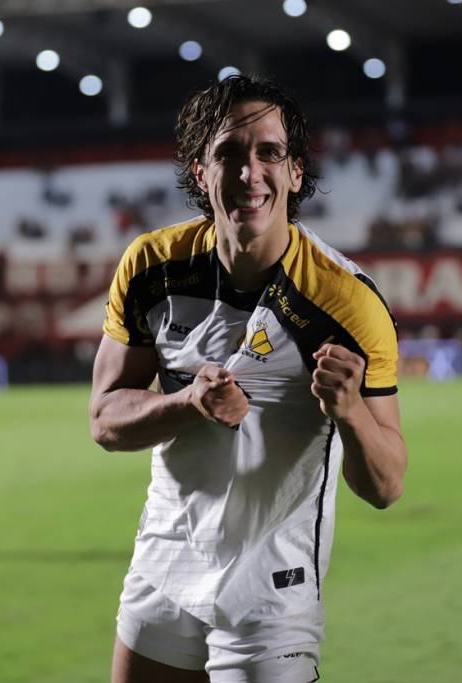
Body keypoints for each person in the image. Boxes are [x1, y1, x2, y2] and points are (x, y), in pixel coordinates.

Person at [89, 75, 408, 683]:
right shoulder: (151, 267)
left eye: (269, 152)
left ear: (295, 172)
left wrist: (350, 413)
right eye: (228, 153)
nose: (249, 172)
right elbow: (105, 421)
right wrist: (189, 403)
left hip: (271, 589)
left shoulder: (347, 304)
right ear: (200, 171)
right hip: (163, 563)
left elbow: (386, 485)